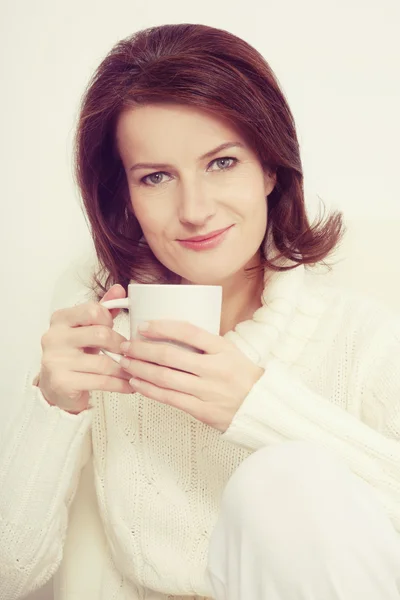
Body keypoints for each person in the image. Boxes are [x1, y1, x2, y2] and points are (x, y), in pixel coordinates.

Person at [1, 22, 400, 600]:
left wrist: (256, 405)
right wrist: (52, 406)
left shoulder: (360, 339)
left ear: (269, 167)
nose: (194, 209)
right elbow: (12, 575)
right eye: (156, 177)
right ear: (127, 198)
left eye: (221, 163)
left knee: (284, 479)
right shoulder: (102, 344)